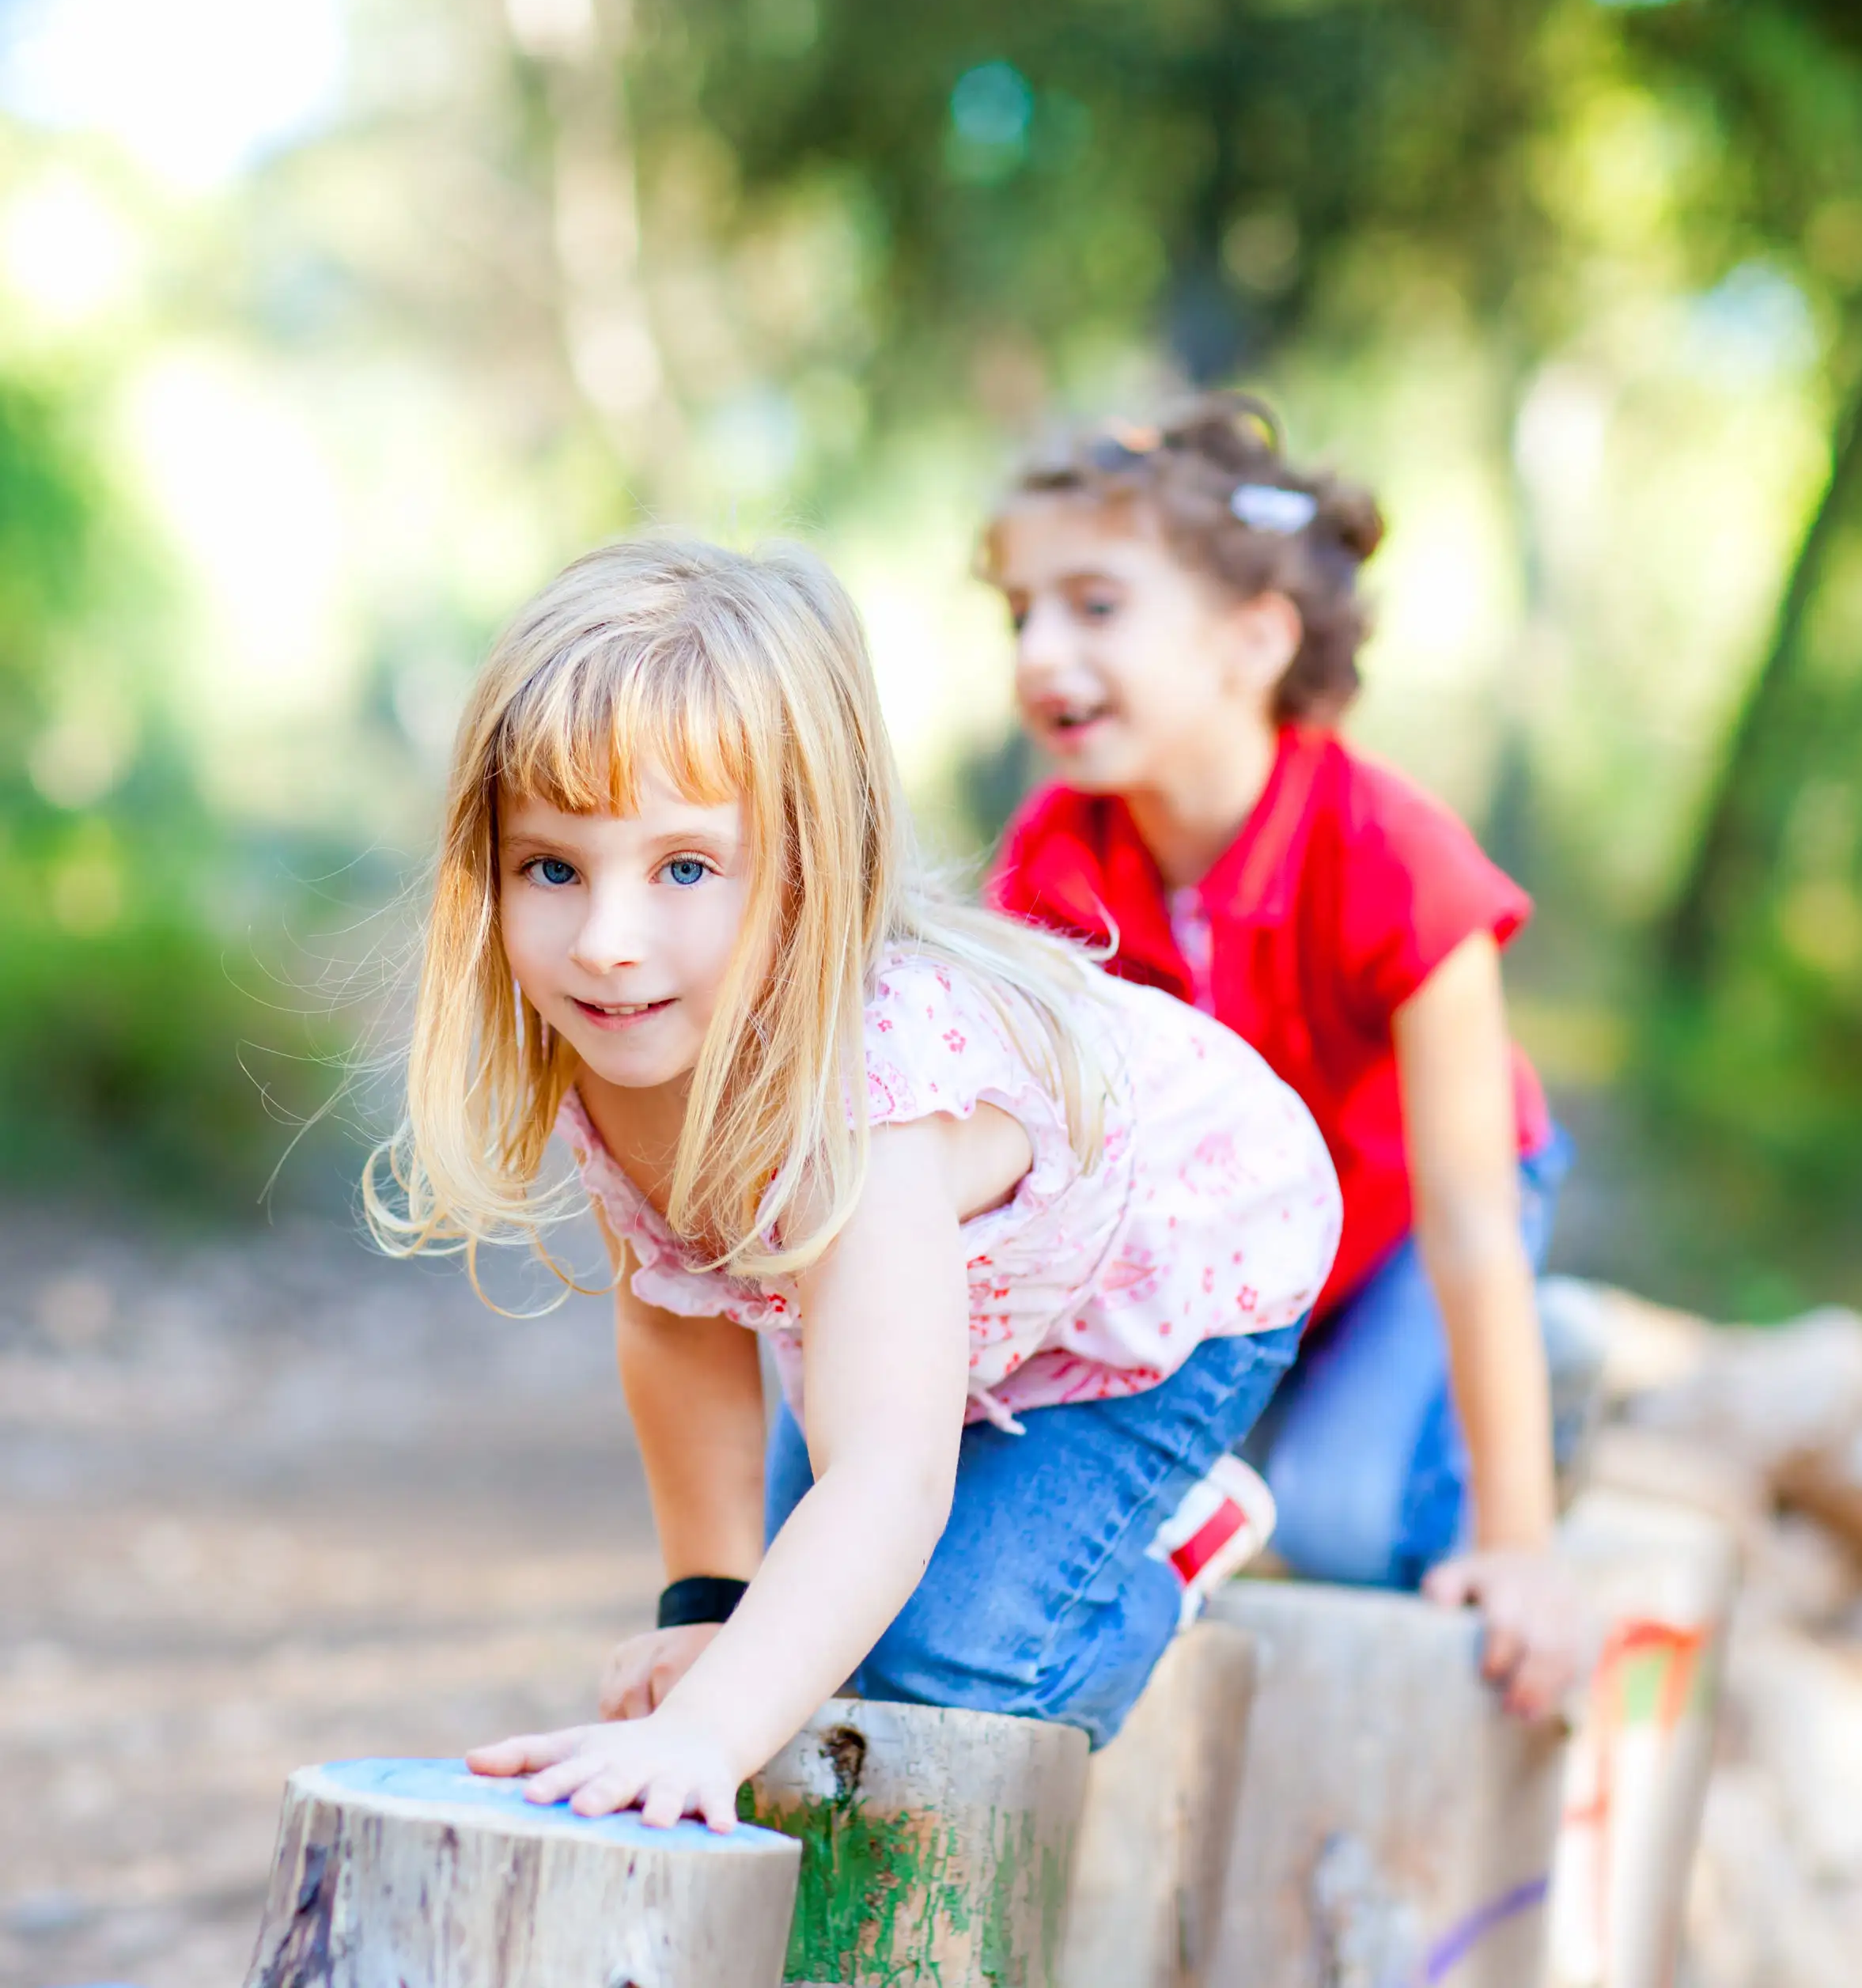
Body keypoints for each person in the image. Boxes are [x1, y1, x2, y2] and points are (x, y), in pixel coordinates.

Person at [367, 533, 1338, 1829]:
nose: (606, 942)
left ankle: (1181, 1537)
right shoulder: (627, 1030)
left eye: (685, 869)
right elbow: (674, 1318)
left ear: (811, 868)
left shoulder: (867, 1102)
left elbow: (887, 1474)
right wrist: (707, 1611)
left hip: (1184, 1261)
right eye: (553, 867)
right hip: (955, 1294)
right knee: (802, 1639)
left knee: (949, 1672)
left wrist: (705, 1736)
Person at [984, 395, 1584, 1719]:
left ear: (1255, 637)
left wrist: (1522, 1547)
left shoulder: (1396, 860)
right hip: (1235, 1258)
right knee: (1157, 1502)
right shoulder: (1054, 860)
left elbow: (1469, 1217)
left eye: (1092, 606)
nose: (1038, 654)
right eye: (1019, 612)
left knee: (1345, 1519)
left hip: (1418, 1231)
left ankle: (1547, 1375)